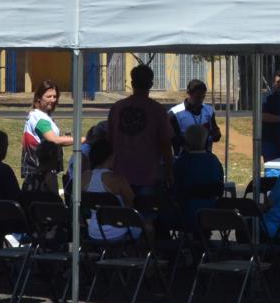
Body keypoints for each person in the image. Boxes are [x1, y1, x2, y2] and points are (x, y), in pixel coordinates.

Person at [105, 64, 173, 195]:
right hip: (148, 174)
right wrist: (169, 171)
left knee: (121, 214)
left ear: (132, 83)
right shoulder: (158, 110)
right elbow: (165, 144)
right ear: (151, 84)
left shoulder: (117, 108)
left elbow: (108, 140)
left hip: (119, 173)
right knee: (144, 213)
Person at [83, 140, 142, 242]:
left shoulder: (83, 177)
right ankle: (139, 256)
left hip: (93, 231)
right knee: (148, 227)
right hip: (118, 230)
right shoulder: (117, 179)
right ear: (110, 157)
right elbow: (131, 204)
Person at [172, 124, 225, 234]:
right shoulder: (213, 161)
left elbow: (175, 188)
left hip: (185, 214)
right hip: (211, 214)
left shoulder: (181, 162)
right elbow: (219, 186)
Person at [22, 80, 73, 183]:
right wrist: (84, 139)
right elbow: (53, 140)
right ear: (39, 98)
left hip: (42, 171)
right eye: (48, 96)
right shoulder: (40, 118)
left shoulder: (41, 115)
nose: (53, 100)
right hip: (40, 172)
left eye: (55, 96)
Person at [168, 79, 221, 156]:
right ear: (189, 93)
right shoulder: (175, 113)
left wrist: (211, 133)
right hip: (183, 158)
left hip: (204, 157)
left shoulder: (209, 110)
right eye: (197, 97)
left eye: (203, 97)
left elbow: (216, 135)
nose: (200, 100)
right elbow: (173, 139)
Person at [260, 74, 280, 162]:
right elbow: (262, 116)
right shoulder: (267, 97)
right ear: (273, 83)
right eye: (278, 82)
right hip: (270, 140)